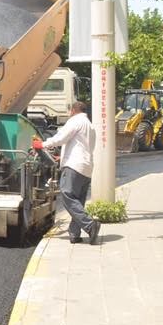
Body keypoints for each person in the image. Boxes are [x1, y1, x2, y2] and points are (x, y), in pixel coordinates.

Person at [32, 101, 101, 245]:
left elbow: (61, 138)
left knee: (67, 195)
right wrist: (61, 157)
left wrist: (42, 144)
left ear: (73, 110)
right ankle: (74, 234)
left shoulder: (75, 121)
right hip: (86, 167)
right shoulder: (90, 126)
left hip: (74, 166)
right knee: (78, 202)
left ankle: (90, 224)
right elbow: (81, 146)